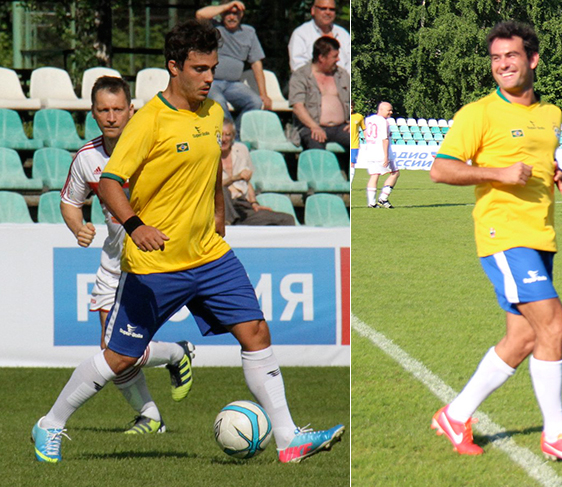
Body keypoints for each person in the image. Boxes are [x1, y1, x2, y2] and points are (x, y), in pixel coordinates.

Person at [32, 19, 344, 464]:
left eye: (213, 68)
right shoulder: (148, 123)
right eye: (199, 69)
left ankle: (289, 439)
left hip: (210, 256)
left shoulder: (213, 112)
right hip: (155, 263)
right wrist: (136, 226)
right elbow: (112, 183)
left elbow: (211, 169)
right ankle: (50, 423)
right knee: (121, 358)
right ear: (173, 67)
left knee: (256, 332)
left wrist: (219, 214)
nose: (208, 77)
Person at [429, 21, 562, 467]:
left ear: (532, 59)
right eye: (496, 58)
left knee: (523, 337)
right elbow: (441, 170)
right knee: (554, 325)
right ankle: (556, 434)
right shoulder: (479, 114)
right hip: (503, 234)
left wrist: (554, 171)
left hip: (541, 234)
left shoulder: (551, 113)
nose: (503, 65)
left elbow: (540, 155)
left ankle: (456, 414)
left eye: (511, 56)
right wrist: (498, 174)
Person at [58, 76, 196, 438]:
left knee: (120, 350)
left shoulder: (152, 146)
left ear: (131, 110)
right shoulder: (87, 160)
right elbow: (70, 202)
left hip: (158, 260)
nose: (112, 116)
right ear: (93, 112)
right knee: (111, 350)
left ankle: (174, 355)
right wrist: (78, 228)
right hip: (114, 263)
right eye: (103, 109)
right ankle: (151, 415)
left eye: (118, 109)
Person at [196, 1, 271, 135]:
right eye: (228, 13)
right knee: (218, 102)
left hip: (234, 84)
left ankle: (235, 135)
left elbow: (256, 64)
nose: (232, 17)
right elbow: (200, 14)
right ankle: (230, 138)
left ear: (241, 15)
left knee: (255, 102)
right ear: (222, 14)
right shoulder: (214, 28)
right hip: (212, 82)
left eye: (235, 13)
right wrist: (227, 5)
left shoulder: (249, 32)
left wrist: (264, 94)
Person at [220, 119, 295, 225]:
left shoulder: (241, 150)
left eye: (227, 135)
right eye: (219, 135)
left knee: (286, 219)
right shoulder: (207, 156)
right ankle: (230, 224)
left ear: (232, 136)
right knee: (222, 190)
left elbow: (247, 182)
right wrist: (234, 178)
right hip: (222, 207)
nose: (223, 139)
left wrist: (254, 202)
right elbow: (212, 186)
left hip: (242, 206)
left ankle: (237, 223)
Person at [289, 36, 350, 154]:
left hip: (341, 127)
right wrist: (314, 127)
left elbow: (354, 100)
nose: (338, 60)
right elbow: (297, 107)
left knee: (361, 143)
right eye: (334, 57)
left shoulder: (342, 75)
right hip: (312, 127)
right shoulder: (301, 76)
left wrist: (353, 120)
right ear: (321, 57)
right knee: (316, 147)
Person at [288, 0, 350, 73]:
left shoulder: (343, 34)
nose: (328, 12)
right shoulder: (301, 34)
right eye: (323, 8)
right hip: (311, 83)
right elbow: (298, 68)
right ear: (313, 10)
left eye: (332, 9)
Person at [364, 102, 398, 208]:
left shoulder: (369, 119)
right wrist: (386, 156)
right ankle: (383, 198)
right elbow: (385, 139)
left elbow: (366, 132)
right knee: (395, 173)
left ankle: (371, 202)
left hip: (370, 151)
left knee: (374, 175)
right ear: (381, 109)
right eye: (389, 110)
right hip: (380, 152)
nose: (391, 112)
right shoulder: (383, 121)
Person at [349, 99, 365, 184]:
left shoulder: (359, 117)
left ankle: (350, 185)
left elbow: (364, 129)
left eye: (351, 107)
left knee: (352, 164)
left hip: (354, 145)